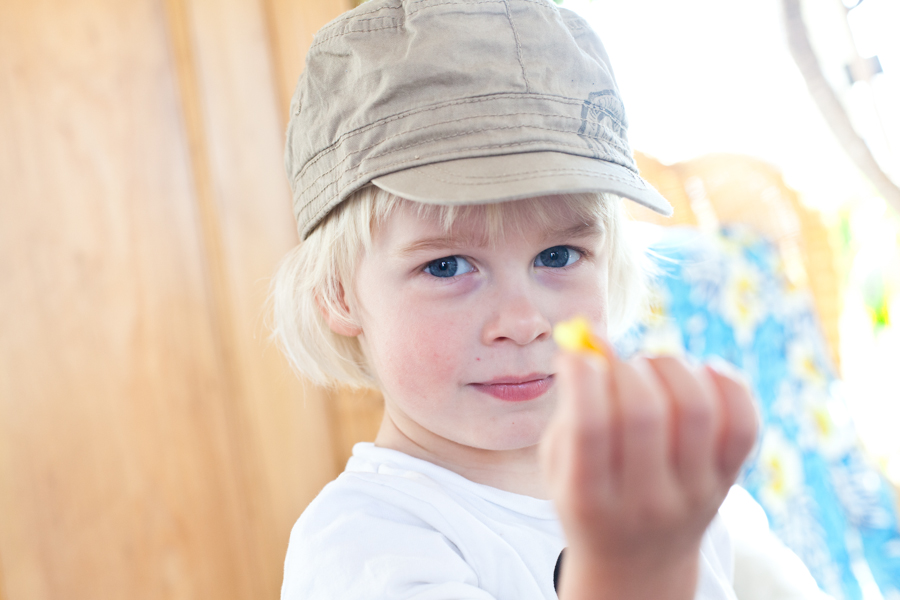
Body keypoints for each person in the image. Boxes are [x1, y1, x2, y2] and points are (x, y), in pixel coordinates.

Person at [272, 0, 831, 598]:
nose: (523, 321)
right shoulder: (360, 547)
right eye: (446, 265)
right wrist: (632, 574)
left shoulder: (672, 496)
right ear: (338, 294)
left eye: (558, 256)